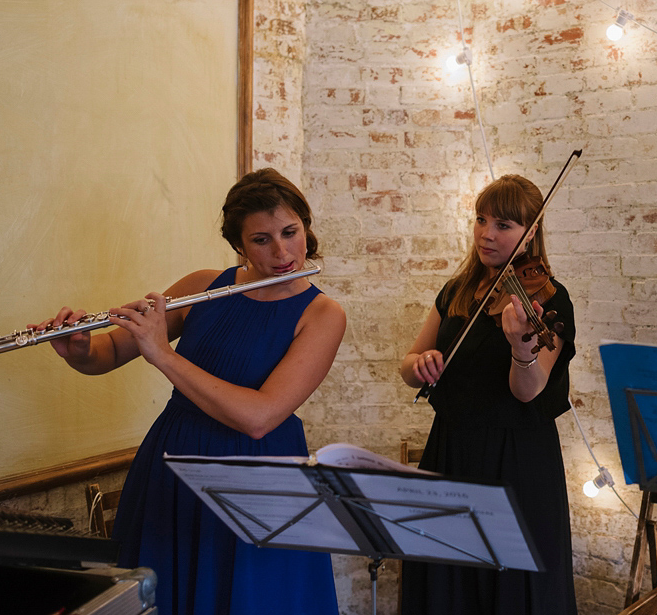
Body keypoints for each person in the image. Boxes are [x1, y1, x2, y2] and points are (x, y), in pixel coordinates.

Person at [39, 168, 345, 615]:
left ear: (306, 228)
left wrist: (163, 354)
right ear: (239, 245)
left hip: (257, 479)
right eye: (261, 240)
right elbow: (107, 354)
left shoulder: (322, 314)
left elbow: (258, 418)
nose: (282, 252)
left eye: (290, 232)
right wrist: (79, 348)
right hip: (173, 463)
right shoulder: (204, 285)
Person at [399, 174, 578, 615]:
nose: (486, 233)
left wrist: (521, 347)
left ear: (531, 232)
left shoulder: (551, 300)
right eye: (482, 220)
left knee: (511, 589)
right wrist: (418, 366)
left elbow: (529, 391)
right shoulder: (457, 289)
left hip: (515, 459)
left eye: (503, 225)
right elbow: (409, 363)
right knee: (448, 584)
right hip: (452, 449)